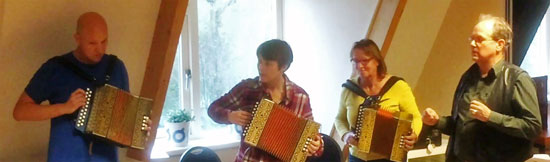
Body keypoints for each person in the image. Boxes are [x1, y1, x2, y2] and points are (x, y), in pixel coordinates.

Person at [13, 12, 150, 162]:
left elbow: (122, 121)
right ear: (77, 39)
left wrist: (138, 128)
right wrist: (64, 108)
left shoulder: (116, 67)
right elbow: (20, 112)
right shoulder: (55, 68)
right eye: (92, 43)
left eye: (104, 41)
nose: (100, 49)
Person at [422, 14, 542, 162]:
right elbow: (461, 126)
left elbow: (532, 127)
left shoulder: (517, 78)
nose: (472, 44)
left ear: (499, 44)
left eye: (479, 39)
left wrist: (491, 116)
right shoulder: (467, 77)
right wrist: (436, 121)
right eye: (471, 39)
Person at [208, 39, 323, 162]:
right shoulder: (247, 88)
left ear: (283, 67)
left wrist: (317, 145)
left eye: (267, 64)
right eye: (259, 62)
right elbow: (213, 109)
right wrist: (230, 116)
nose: (261, 67)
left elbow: (314, 139)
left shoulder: (300, 97)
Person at [334, 39, 422, 162]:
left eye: (364, 60)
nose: (359, 66)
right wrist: (345, 135)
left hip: (388, 157)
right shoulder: (349, 89)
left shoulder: (398, 86)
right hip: (357, 157)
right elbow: (340, 118)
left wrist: (414, 135)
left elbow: (416, 117)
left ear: (377, 61)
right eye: (355, 61)